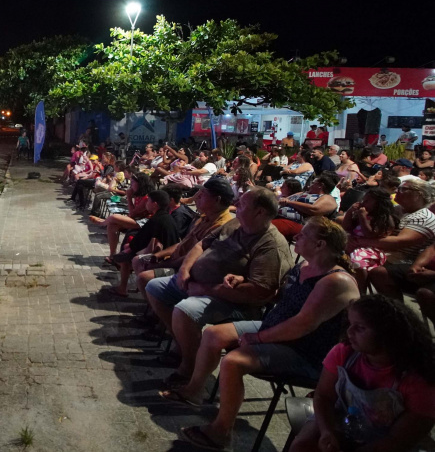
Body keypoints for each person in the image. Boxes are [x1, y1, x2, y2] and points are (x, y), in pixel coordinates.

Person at [166, 218, 360, 450]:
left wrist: (256, 339)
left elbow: (301, 325)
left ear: (320, 245)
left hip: (305, 350)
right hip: (275, 328)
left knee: (234, 362)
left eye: (304, 235)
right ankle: (194, 391)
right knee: (214, 335)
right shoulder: (304, 267)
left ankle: (221, 432)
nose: (297, 237)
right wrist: (242, 280)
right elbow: (280, 294)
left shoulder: (335, 281)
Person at [145, 188, 294, 387]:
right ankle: (184, 346)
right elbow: (201, 245)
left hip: (232, 300)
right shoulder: (236, 223)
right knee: (154, 287)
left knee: (185, 310)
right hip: (197, 284)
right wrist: (185, 270)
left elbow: (259, 292)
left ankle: (189, 365)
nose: (236, 205)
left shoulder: (271, 246)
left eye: (242, 203)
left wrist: (204, 289)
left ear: (260, 212)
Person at [289, 295, 435, 452]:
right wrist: (327, 432)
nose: (349, 331)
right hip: (339, 416)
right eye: (350, 324)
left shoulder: (418, 381)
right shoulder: (344, 353)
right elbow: (323, 396)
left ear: (387, 334)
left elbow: (397, 440)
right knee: (302, 446)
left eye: (360, 328)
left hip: (383, 439)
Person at [127, 177, 236, 299]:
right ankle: (153, 304)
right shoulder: (204, 217)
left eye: (203, 194)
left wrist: (162, 264)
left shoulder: (221, 226)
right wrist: (158, 256)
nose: (197, 196)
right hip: (176, 260)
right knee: (138, 260)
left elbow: (194, 257)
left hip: (188, 270)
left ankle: (156, 311)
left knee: (144, 277)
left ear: (217, 200)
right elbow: (182, 243)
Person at [363, 180, 435, 297]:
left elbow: (398, 242)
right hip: (383, 251)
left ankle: (390, 307)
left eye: (403, 189)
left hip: (404, 259)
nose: (397, 190)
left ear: (418, 195)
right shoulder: (397, 209)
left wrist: (361, 241)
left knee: (356, 262)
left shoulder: (424, 217)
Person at [340, 188, 396, 294]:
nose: (363, 203)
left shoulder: (384, 218)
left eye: (367, 201)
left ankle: (359, 292)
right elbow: (346, 227)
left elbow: (370, 234)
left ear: (379, 203)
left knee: (357, 263)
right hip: (353, 245)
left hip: (370, 250)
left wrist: (362, 217)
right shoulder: (363, 214)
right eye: (363, 200)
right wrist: (350, 211)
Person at [90, 172, 157, 257]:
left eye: (133, 182)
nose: (131, 185)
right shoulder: (139, 195)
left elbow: (132, 213)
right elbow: (132, 213)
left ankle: (103, 222)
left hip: (145, 222)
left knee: (114, 217)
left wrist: (128, 197)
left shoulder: (146, 198)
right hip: (137, 219)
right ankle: (112, 254)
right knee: (112, 225)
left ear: (140, 184)